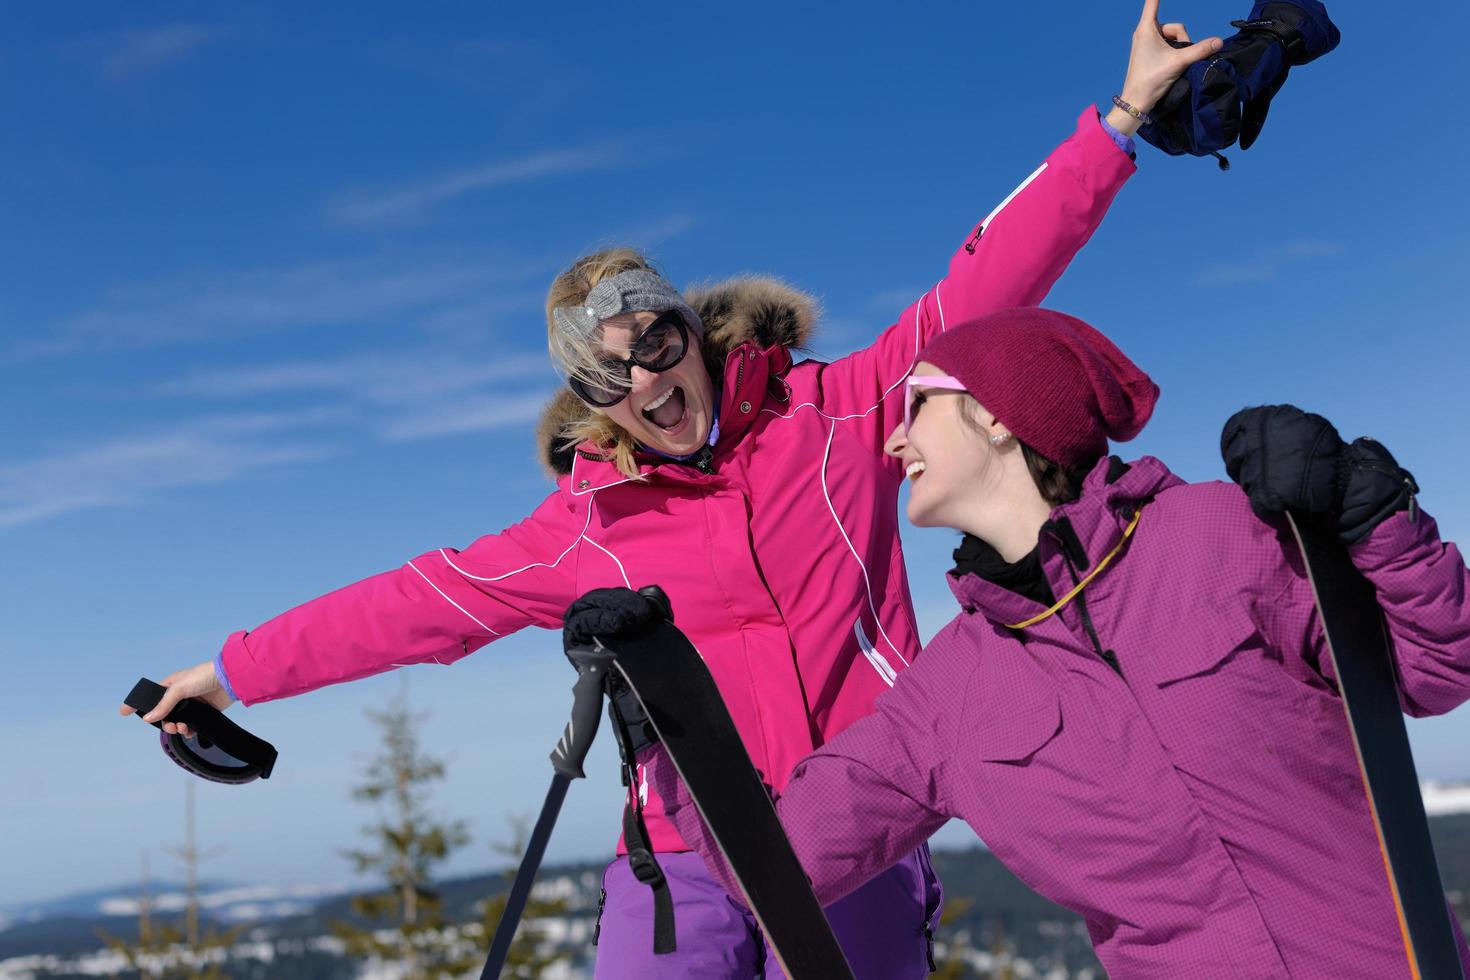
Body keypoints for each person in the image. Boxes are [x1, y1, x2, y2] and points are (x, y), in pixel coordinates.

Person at [118, 5, 1224, 974]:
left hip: (866, 819)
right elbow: (413, 603)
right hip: (683, 853)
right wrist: (229, 669)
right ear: (592, 395)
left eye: (659, 338)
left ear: (694, 327)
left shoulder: (836, 415)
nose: (649, 375)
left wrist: (1117, 124)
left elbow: (980, 287)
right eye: (612, 368)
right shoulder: (580, 528)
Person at [644, 306, 1470, 977]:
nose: (895, 443)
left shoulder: (1214, 533)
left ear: (999, 418)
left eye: (918, 408)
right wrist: (668, 719)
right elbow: (780, 870)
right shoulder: (948, 695)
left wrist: (1369, 513)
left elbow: (1436, 666)